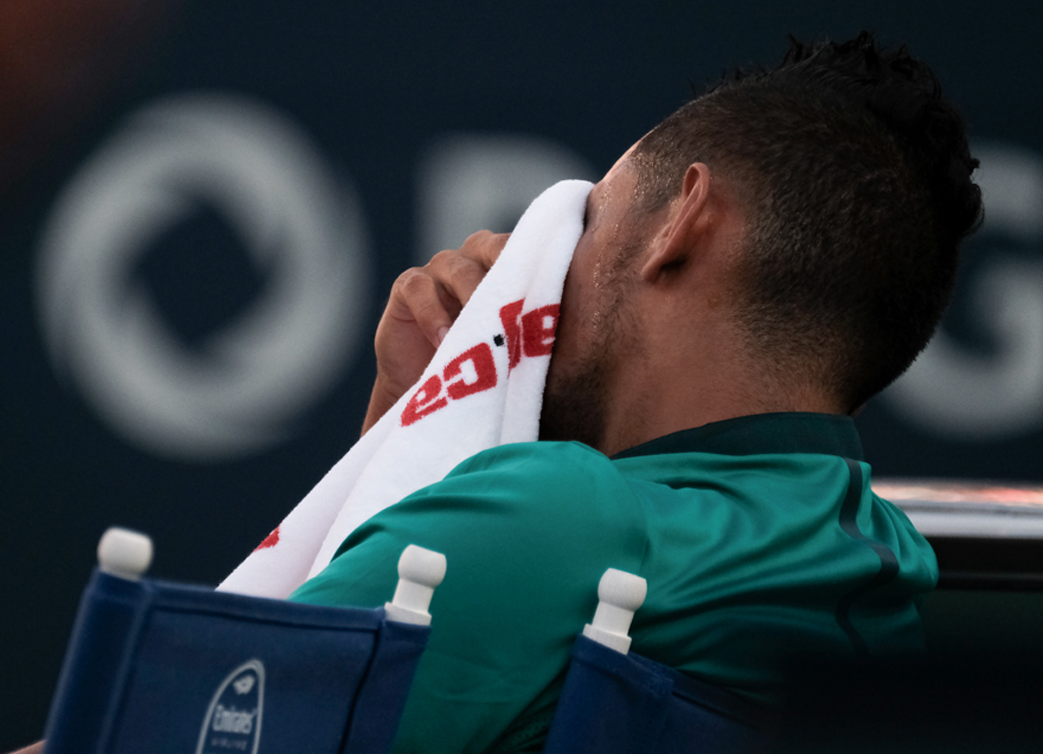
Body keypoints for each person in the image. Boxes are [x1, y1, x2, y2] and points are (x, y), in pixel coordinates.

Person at [288, 33, 982, 753]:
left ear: (682, 224)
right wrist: (419, 417)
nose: (527, 274)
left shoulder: (553, 519)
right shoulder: (891, 566)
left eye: (581, 223)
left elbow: (207, 707)